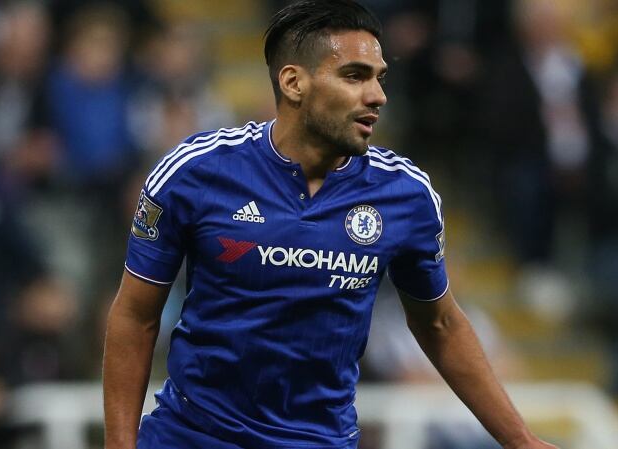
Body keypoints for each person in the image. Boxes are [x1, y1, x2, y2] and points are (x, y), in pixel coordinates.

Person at [102, 1, 558, 448]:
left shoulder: (406, 196)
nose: (377, 95)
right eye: (354, 76)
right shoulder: (195, 172)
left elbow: (440, 325)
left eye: (379, 78)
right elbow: (135, 316)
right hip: (192, 437)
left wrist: (520, 440)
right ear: (293, 82)